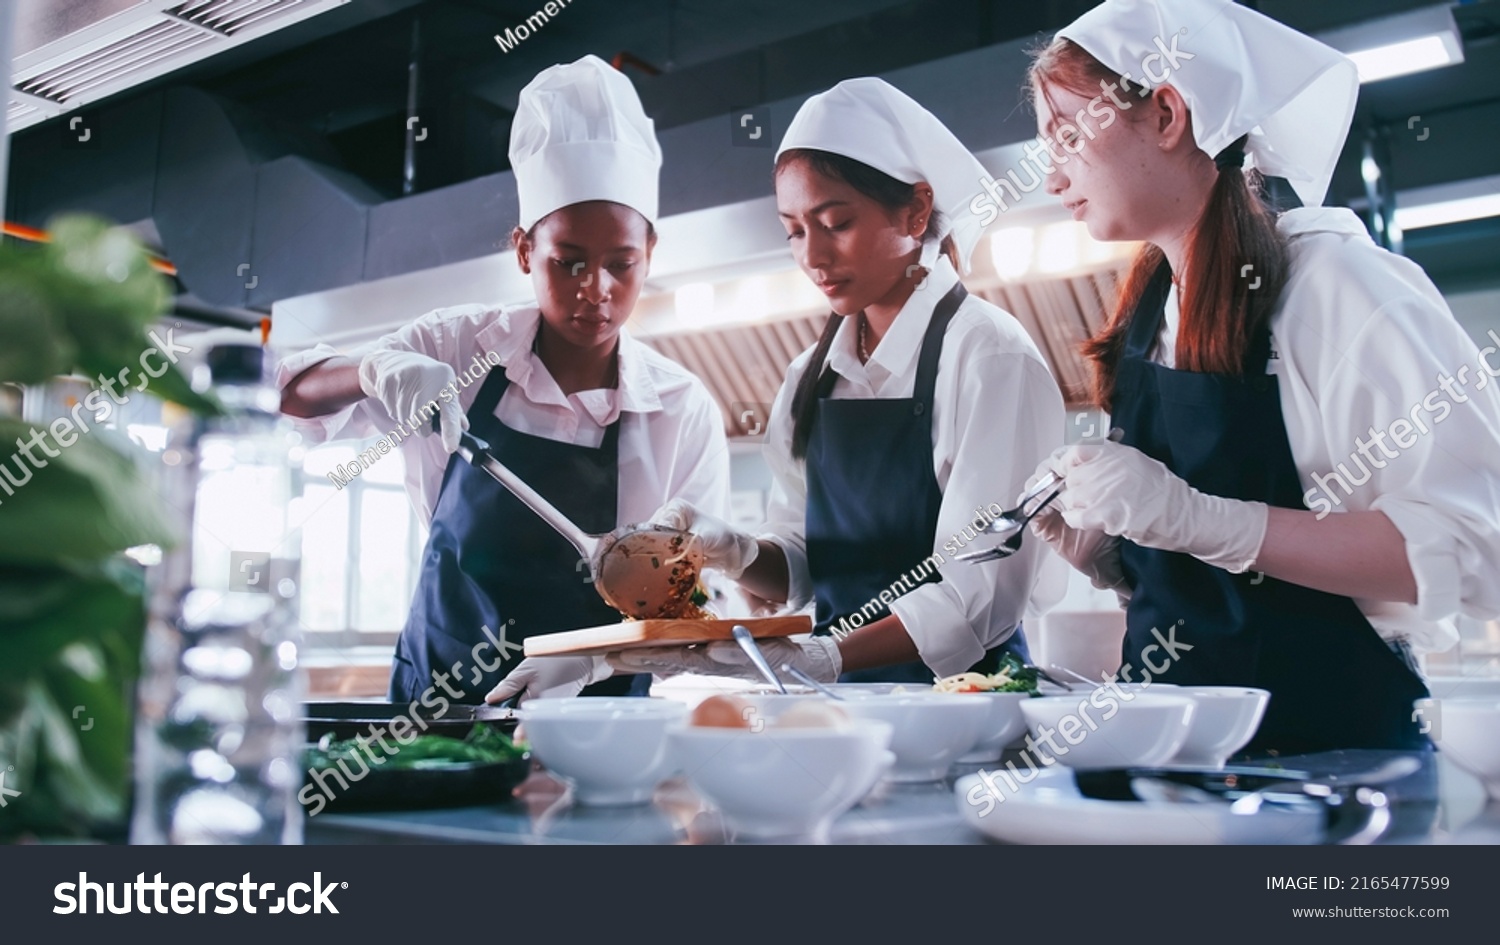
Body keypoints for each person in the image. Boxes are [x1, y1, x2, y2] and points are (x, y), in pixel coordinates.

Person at [1021, 0, 1500, 753]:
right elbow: (1220, 597)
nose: (1054, 177)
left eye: (1069, 135)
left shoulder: (1339, 286)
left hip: (1331, 760)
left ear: (1169, 114)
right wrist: (1119, 557)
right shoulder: (1150, 313)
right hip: (1172, 755)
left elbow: (1473, 548)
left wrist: (1203, 520)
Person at [278, 55, 729, 705]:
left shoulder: (680, 409)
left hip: (597, 726)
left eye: (621, 265)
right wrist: (371, 370)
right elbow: (286, 396)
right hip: (437, 712)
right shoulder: (454, 347)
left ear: (650, 255)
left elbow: (698, 601)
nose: (595, 291)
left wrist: (595, 660)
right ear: (523, 249)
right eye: (568, 262)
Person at [607, 78, 1065, 686]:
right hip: (846, 706)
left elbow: (977, 595)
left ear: (917, 210)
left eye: (836, 222)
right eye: (795, 230)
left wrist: (822, 656)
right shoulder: (811, 379)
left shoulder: (988, 357)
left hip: (971, 703)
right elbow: (803, 562)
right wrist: (735, 552)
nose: (813, 257)